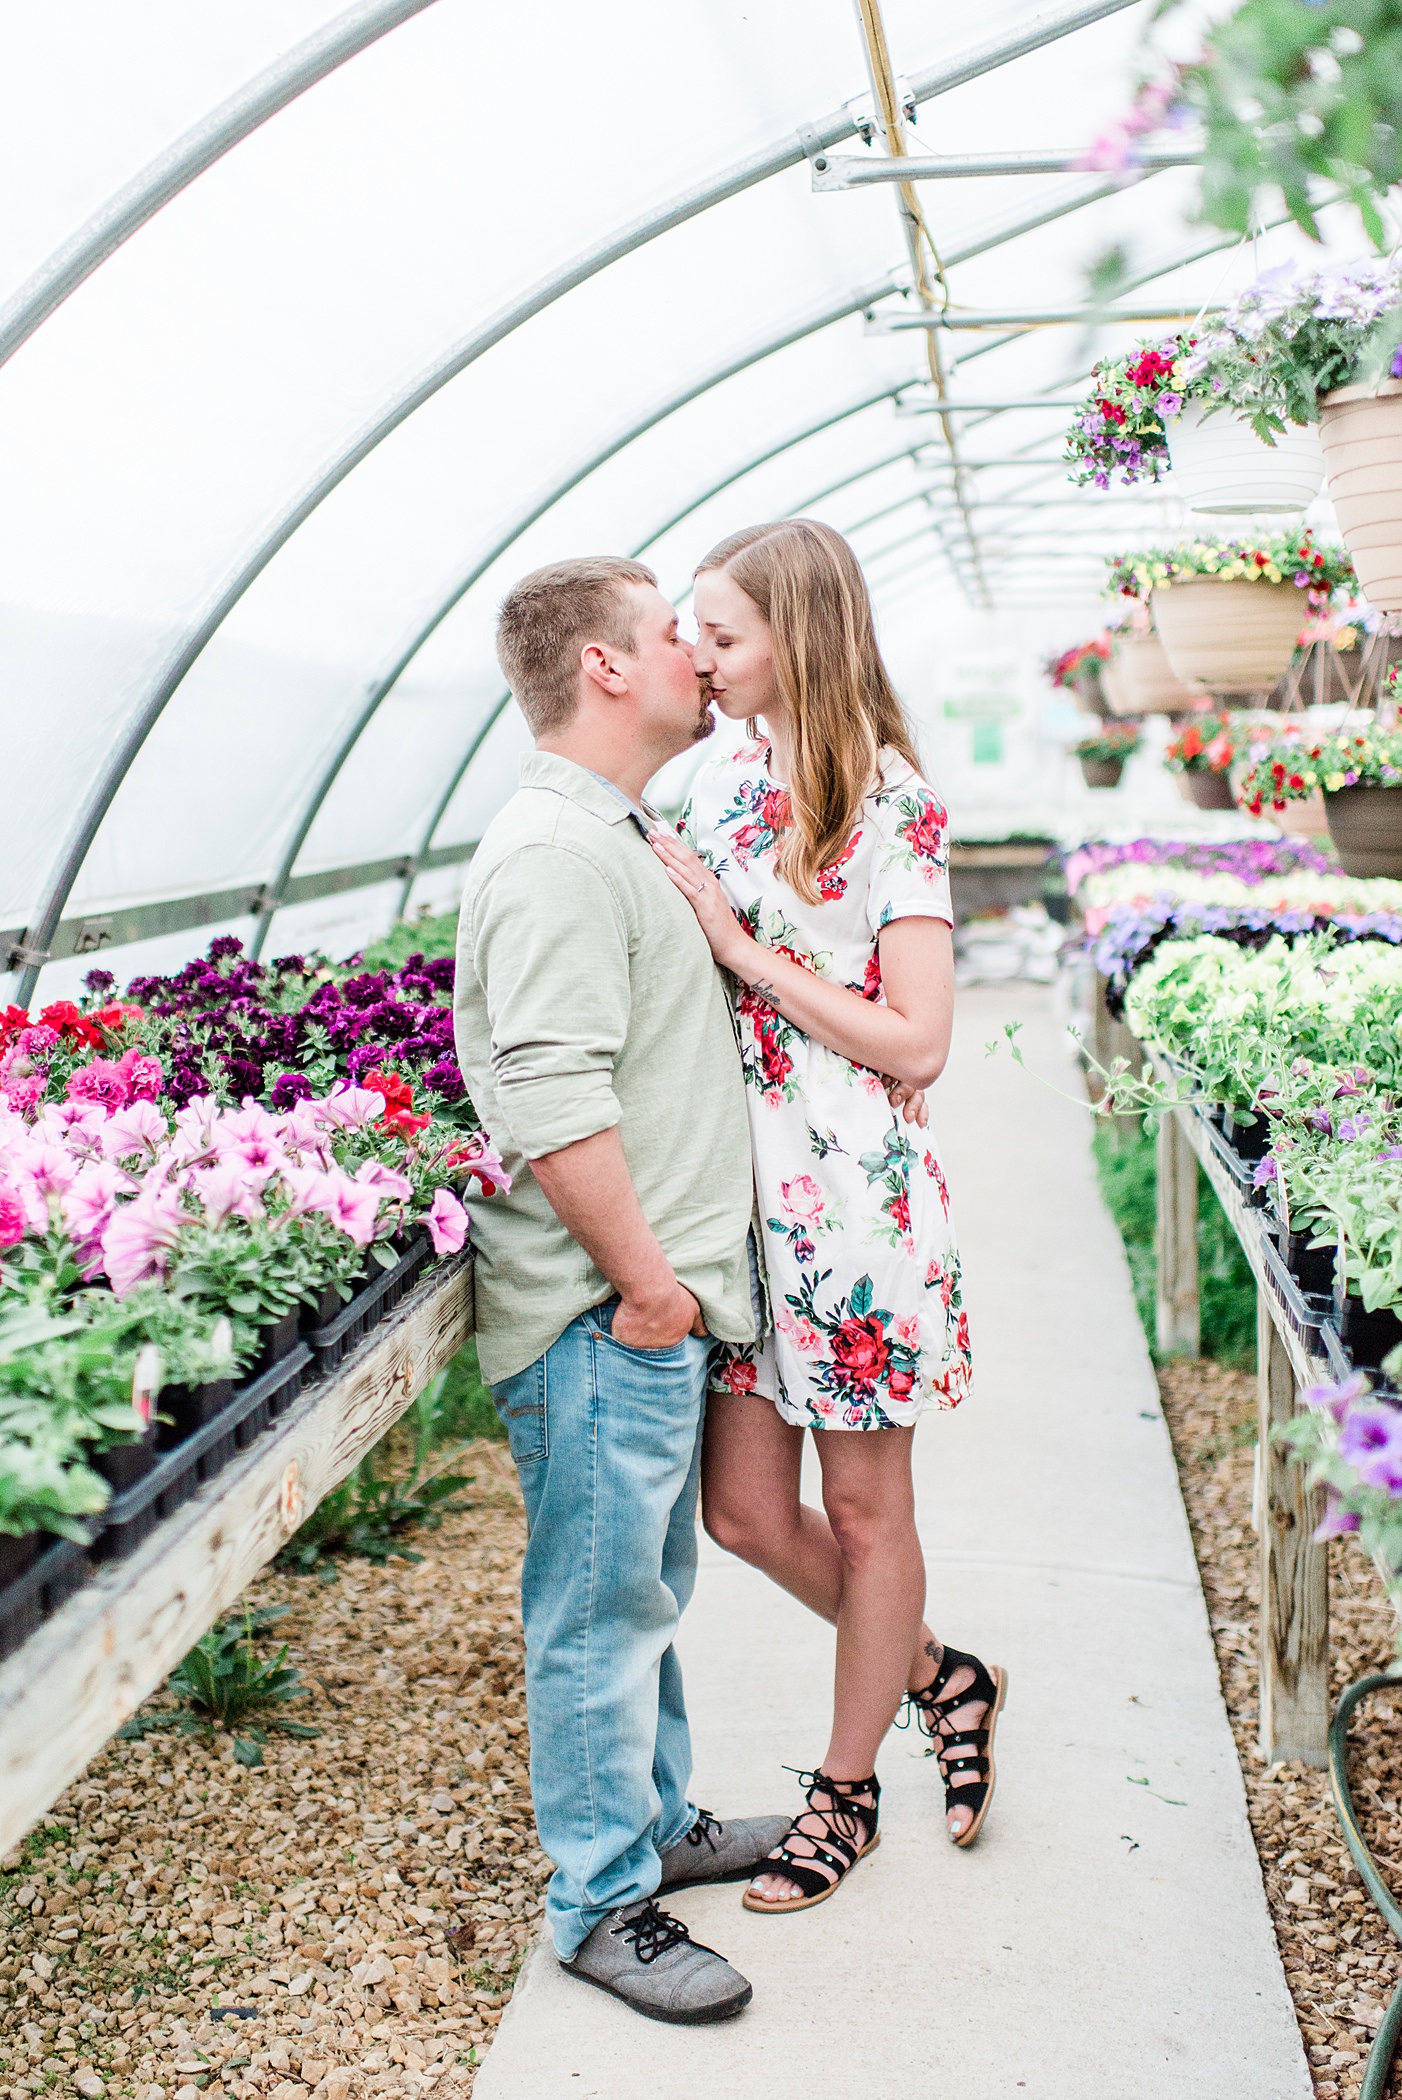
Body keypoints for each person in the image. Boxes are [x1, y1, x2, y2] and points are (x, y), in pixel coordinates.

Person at [648, 518, 1006, 1915]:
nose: (700, 656)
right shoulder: (714, 781)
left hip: (849, 1211)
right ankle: (939, 1676)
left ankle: (844, 1793)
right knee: (742, 1515)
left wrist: (745, 953)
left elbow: (917, 1042)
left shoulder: (889, 804)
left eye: (722, 633)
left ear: (799, 633)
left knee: (862, 1518)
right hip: (737, 1205)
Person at [452, 556, 789, 2026]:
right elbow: (547, 1089)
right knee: (595, 1611)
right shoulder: (556, 853)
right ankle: (600, 1903)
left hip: (648, 1311)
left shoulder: (616, 830)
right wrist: (648, 1287)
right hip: (606, 1316)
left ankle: (651, 1826)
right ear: (600, 666)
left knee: (640, 1590)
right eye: (673, 633)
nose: (701, 657)